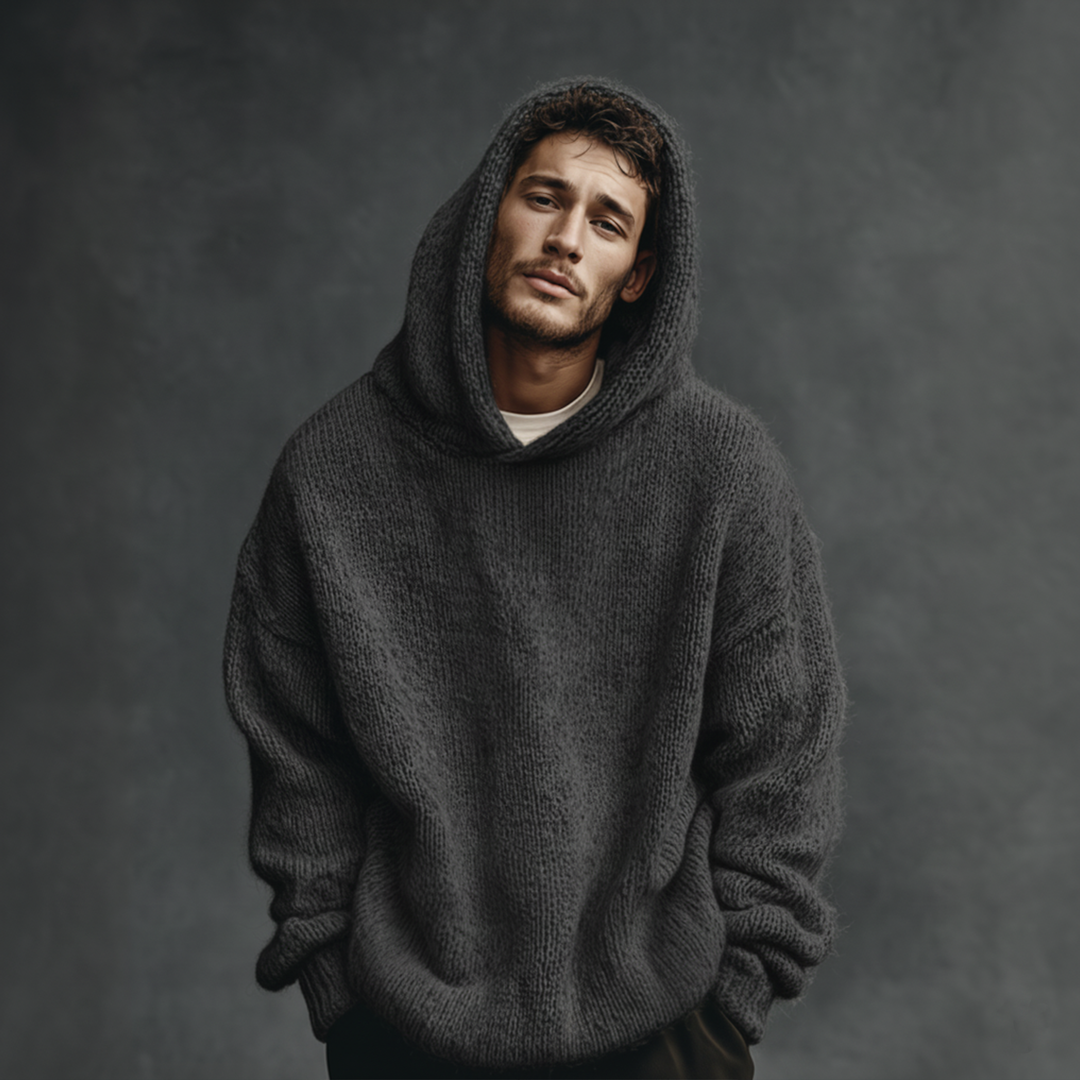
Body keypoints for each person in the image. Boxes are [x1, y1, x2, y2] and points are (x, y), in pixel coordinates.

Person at [223, 77, 847, 1080]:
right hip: (405, 1028)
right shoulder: (332, 474)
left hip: (664, 1028)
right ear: (488, 217)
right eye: (545, 197)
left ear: (637, 276)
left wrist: (734, 1001)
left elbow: (785, 747)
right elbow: (295, 747)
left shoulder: (722, 471)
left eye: (607, 222)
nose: (565, 239)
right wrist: (338, 985)